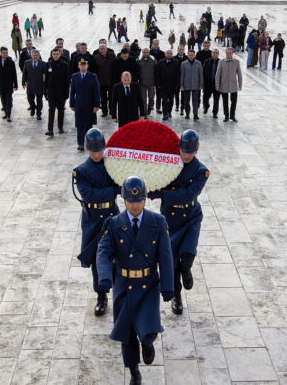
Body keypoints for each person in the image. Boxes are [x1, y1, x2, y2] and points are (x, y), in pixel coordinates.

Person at [96, 176, 173, 385]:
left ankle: (148, 343)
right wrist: (104, 278)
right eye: (131, 201)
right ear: (124, 200)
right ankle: (134, 372)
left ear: (146, 199)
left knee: (148, 328)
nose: (135, 205)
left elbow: (165, 256)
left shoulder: (157, 222)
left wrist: (168, 287)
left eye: (139, 201)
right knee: (127, 335)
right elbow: (103, 251)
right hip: (124, 286)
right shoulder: (113, 224)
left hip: (148, 285)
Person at [148, 130, 207, 315]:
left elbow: (188, 194)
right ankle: (176, 296)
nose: (186, 155)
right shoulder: (169, 165)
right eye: (183, 151)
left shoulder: (201, 171)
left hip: (190, 216)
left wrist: (162, 194)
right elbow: (155, 178)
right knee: (170, 261)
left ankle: (187, 269)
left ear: (196, 151)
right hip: (170, 219)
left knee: (187, 254)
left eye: (190, 152)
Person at [73, 128, 121, 317]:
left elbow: (121, 182)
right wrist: (114, 191)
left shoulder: (112, 165)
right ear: (86, 149)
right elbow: (89, 195)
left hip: (112, 214)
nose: (97, 154)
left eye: (100, 150)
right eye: (93, 150)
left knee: (118, 254)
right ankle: (101, 296)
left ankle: (120, 290)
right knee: (95, 259)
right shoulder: (82, 171)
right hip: (93, 220)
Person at [70, 58, 101, 150]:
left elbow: (97, 91)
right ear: (78, 66)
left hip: (89, 103)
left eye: (84, 65)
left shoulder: (93, 76)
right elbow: (72, 91)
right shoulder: (74, 76)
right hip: (79, 103)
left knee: (88, 125)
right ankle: (80, 144)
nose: (83, 66)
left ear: (87, 66)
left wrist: (96, 105)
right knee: (79, 125)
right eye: (81, 65)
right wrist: (72, 103)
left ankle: (88, 143)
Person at [44, 49, 71, 136]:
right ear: (52, 55)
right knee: (51, 110)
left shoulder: (64, 65)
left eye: (57, 54)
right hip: (51, 92)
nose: (55, 55)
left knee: (61, 111)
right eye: (54, 54)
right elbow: (46, 79)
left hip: (61, 92)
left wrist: (66, 93)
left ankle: (60, 127)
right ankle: (50, 129)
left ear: (60, 55)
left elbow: (67, 80)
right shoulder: (48, 64)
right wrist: (45, 92)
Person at [215, 47, 243, 122]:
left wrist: (240, 84)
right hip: (224, 84)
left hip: (233, 84)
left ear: (232, 54)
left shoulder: (236, 62)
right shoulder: (221, 61)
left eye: (230, 53)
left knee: (234, 101)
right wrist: (217, 85)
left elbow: (239, 74)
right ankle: (226, 116)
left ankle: (232, 115)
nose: (228, 55)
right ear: (225, 53)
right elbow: (218, 74)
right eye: (227, 53)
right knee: (225, 101)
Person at [0, 47, 18, 122]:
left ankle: (8, 115)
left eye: (6, 53)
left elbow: (14, 74)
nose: (5, 54)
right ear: (0, 53)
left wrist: (15, 85)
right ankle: (6, 113)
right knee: (3, 100)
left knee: (8, 100)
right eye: (4, 53)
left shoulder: (11, 62)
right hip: (0, 85)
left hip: (9, 85)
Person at [157, 49, 180, 120]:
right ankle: (165, 114)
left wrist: (177, 84)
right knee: (164, 100)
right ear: (165, 54)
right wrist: (158, 84)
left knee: (171, 100)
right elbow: (158, 74)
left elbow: (178, 74)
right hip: (163, 85)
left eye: (170, 53)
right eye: (167, 53)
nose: (169, 54)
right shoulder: (161, 62)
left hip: (172, 85)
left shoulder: (176, 62)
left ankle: (169, 111)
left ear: (172, 54)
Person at [22, 49, 46, 118]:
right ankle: (33, 108)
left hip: (39, 84)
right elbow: (24, 73)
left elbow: (46, 75)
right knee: (30, 99)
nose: (35, 57)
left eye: (36, 55)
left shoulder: (43, 64)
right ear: (31, 56)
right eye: (34, 55)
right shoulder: (27, 63)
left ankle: (39, 113)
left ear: (39, 56)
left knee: (39, 100)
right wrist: (23, 82)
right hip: (30, 84)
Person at [180, 50, 203, 120]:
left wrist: (201, 85)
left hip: (196, 85)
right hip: (186, 85)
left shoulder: (198, 63)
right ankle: (187, 113)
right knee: (186, 100)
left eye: (192, 55)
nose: (191, 56)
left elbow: (201, 75)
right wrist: (181, 85)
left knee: (195, 100)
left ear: (194, 55)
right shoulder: (183, 64)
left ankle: (195, 114)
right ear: (187, 55)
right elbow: (182, 75)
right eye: (189, 55)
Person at [137, 48, 158, 115]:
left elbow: (156, 70)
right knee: (143, 99)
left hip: (151, 82)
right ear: (142, 53)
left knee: (151, 98)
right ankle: (144, 112)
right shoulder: (139, 60)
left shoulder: (153, 60)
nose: (145, 53)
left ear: (149, 52)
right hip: (142, 83)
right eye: (144, 52)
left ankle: (149, 108)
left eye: (147, 52)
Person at [202, 49, 221, 117]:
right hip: (208, 83)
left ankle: (215, 112)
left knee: (216, 99)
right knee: (205, 97)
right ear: (211, 54)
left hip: (216, 84)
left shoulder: (220, 62)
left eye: (216, 53)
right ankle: (206, 106)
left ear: (218, 54)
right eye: (213, 53)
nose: (215, 54)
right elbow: (203, 72)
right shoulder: (207, 61)